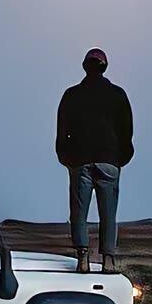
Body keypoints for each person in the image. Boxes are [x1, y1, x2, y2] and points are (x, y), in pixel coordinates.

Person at [55, 47, 134, 273]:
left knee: (79, 212)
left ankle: (83, 258)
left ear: (85, 67)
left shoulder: (71, 95)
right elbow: (126, 131)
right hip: (109, 161)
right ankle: (108, 259)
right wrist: (121, 158)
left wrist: (66, 157)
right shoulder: (118, 95)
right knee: (109, 212)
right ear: (105, 67)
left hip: (80, 161)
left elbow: (62, 131)